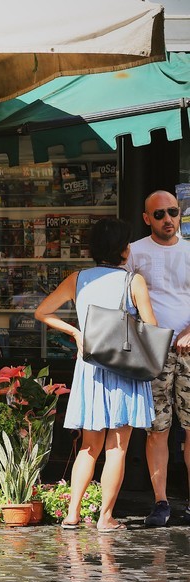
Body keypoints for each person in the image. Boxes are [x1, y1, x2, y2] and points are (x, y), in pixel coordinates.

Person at [34, 218, 158, 533]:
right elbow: (152, 330)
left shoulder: (78, 279)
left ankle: (72, 515)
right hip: (124, 370)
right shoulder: (134, 281)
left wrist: (76, 332)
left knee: (90, 446)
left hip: (90, 369)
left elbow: (42, 312)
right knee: (117, 447)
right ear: (124, 250)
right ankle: (105, 518)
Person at [125, 190, 190, 527]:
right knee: (157, 430)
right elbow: (122, 300)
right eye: (160, 214)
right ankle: (161, 502)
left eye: (173, 212)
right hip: (154, 352)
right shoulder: (134, 251)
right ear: (146, 218)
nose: (168, 219)